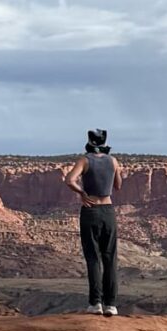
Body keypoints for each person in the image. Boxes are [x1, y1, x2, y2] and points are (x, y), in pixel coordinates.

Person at [64, 129, 122, 316]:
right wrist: (118, 171)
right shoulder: (113, 160)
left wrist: (82, 193)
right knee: (110, 258)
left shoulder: (85, 160)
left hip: (90, 211)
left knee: (93, 258)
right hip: (108, 211)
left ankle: (95, 303)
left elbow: (69, 180)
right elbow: (118, 185)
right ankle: (111, 305)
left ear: (89, 141)